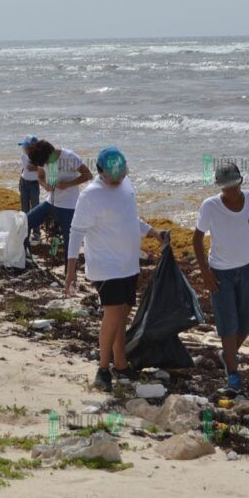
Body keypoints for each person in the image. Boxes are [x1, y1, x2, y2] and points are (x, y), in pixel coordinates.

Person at [65, 147, 170, 391]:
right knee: (112, 316)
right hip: (105, 266)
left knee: (123, 314)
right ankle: (103, 368)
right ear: (101, 172)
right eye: (115, 175)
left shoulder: (126, 185)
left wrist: (153, 232)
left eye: (122, 173)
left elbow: (130, 217)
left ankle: (121, 363)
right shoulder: (90, 195)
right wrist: (70, 269)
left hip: (128, 263)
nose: (119, 178)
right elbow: (76, 231)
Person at [192, 162, 249, 394]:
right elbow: (197, 239)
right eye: (225, 188)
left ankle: (227, 355)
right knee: (228, 324)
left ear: (241, 181)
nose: (231, 191)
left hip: (246, 269)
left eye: (234, 186)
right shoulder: (210, 206)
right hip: (220, 273)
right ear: (219, 187)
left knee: (246, 322)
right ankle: (233, 375)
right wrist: (205, 272)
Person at [24, 140, 93, 264]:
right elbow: (40, 176)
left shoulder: (69, 157)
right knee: (23, 223)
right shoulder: (42, 158)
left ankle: (70, 273)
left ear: (51, 153)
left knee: (69, 241)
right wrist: (45, 185)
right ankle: (25, 258)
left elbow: (88, 175)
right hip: (50, 202)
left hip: (69, 205)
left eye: (46, 162)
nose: (45, 164)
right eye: (43, 163)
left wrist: (68, 184)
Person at [18, 135, 41, 241]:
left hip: (34, 184)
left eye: (25, 146)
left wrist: (36, 168)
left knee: (36, 208)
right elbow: (28, 168)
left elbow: (46, 167)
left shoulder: (39, 156)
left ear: (31, 147)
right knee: (24, 208)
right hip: (23, 182)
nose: (23, 149)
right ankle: (25, 232)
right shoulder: (23, 155)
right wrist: (36, 168)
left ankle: (36, 233)